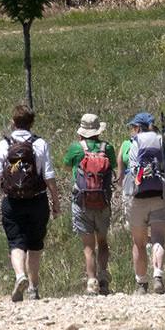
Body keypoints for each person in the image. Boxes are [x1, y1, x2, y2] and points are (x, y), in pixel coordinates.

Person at [0, 104, 57, 302]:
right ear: (32, 123)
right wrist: (56, 201)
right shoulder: (40, 144)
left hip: (12, 201)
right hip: (37, 199)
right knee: (35, 244)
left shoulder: (5, 144)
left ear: (13, 122)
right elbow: (49, 175)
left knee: (16, 241)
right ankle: (34, 288)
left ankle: (20, 276)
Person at [120, 112, 165, 294]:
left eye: (133, 127)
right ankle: (158, 276)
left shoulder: (129, 144)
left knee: (138, 242)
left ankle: (141, 284)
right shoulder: (161, 141)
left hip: (136, 198)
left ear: (137, 127)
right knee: (159, 238)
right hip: (160, 195)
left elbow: (122, 175)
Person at [61, 113, 117, 296]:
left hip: (82, 202)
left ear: (81, 131)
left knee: (88, 246)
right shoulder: (107, 148)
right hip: (103, 201)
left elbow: (67, 167)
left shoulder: (76, 148)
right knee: (102, 242)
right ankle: (103, 278)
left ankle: (91, 282)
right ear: (97, 131)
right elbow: (112, 168)